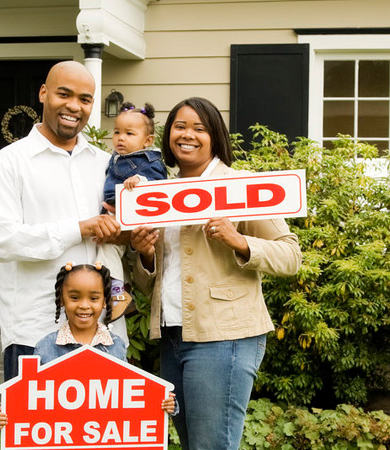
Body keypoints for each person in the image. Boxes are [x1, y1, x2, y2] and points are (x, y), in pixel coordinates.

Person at [127, 97, 302, 450]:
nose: (187, 135)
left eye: (199, 128)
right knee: (194, 443)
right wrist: (144, 256)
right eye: (179, 127)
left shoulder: (239, 186)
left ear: (215, 136)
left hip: (225, 336)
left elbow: (291, 256)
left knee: (211, 445)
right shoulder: (157, 192)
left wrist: (240, 241)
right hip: (173, 336)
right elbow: (151, 282)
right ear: (168, 135)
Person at [0, 61, 127, 382]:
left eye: (85, 99)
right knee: (34, 432)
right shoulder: (10, 163)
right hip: (35, 330)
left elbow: (121, 238)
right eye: (64, 94)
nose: (74, 106)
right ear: (44, 93)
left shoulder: (107, 165)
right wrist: (81, 228)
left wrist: (124, 235)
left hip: (103, 334)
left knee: (100, 431)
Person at [0, 262, 176, 429]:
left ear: (105, 301)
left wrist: (167, 403)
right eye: (74, 297)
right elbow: (26, 400)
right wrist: (0, 418)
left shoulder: (116, 346)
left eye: (94, 298)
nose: (84, 305)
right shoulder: (46, 347)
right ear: (62, 299)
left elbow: (128, 396)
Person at [97, 102, 168, 323]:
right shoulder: (116, 156)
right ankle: (122, 292)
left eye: (129, 133)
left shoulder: (149, 159)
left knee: (108, 252)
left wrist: (140, 181)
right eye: (117, 132)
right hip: (115, 213)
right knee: (113, 256)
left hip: (129, 217)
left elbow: (158, 180)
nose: (120, 138)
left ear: (147, 141)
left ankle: (117, 295)